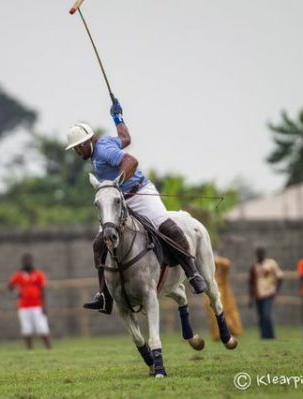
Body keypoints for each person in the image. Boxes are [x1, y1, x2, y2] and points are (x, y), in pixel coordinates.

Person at [66, 98, 207, 315]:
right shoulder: (104, 145)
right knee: (99, 243)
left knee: (166, 227)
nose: (77, 152)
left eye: (78, 147)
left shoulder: (102, 151)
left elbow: (131, 161)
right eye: (75, 149)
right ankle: (104, 296)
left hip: (140, 194)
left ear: (88, 141)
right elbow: (125, 138)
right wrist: (118, 117)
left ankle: (193, 273)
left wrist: (117, 183)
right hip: (120, 201)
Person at [8, 253, 52, 349]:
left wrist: (44, 305)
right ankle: (30, 351)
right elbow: (10, 286)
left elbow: (42, 290)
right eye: (25, 261)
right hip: (24, 306)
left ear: (31, 262)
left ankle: (49, 349)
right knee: (26, 329)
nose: (26, 263)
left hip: (37, 305)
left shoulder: (38, 274)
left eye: (28, 261)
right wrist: (16, 291)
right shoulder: (19, 275)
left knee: (42, 328)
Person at [204, 254, 243, 340]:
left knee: (227, 312)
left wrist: (215, 259)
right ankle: (218, 335)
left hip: (224, 294)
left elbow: (227, 264)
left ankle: (232, 332)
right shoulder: (206, 270)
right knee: (213, 314)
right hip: (210, 294)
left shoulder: (221, 269)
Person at [248, 247, 283, 339]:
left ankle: (271, 336)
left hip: (269, 293)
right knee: (261, 316)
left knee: (266, 314)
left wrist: (276, 290)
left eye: (261, 254)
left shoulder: (271, 263)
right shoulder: (254, 266)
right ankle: (264, 336)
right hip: (258, 295)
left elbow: (280, 276)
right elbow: (251, 283)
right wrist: (251, 298)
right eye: (258, 254)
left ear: (264, 254)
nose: (260, 256)